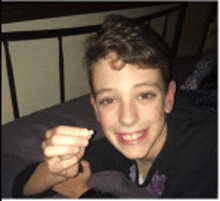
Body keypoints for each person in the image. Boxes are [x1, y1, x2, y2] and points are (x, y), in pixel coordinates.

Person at [12, 14, 217, 198]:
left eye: (145, 95)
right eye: (108, 100)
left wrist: (83, 194)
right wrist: (51, 171)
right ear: (95, 108)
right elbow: (20, 188)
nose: (127, 119)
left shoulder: (205, 146)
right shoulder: (115, 146)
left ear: (169, 99)